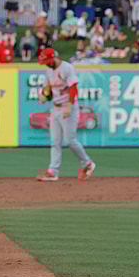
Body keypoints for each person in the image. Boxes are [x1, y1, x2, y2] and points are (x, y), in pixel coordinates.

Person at [36, 48, 95, 182]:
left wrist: (69, 106)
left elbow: (73, 88)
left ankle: (87, 163)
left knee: (70, 140)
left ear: (53, 58)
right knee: (55, 141)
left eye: (46, 61)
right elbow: (49, 91)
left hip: (68, 107)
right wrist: (44, 95)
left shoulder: (67, 68)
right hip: (55, 108)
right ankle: (52, 171)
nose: (45, 64)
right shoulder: (49, 72)